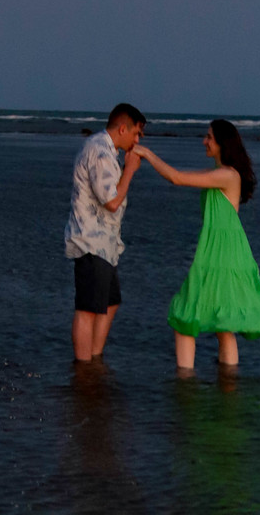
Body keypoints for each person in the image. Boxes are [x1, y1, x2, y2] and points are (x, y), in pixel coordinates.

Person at [133, 119, 260, 372]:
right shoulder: (222, 173)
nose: (204, 141)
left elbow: (177, 178)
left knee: (184, 315)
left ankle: (186, 379)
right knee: (223, 323)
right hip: (226, 250)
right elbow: (181, 175)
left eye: (209, 137)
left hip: (221, 252)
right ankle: (228, 380)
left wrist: (147, 153)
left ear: (222, 143)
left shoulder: (227, 175)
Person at [64, 102, 146, 362]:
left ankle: (94, 357)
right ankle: (83, 365)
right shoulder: (100, 151)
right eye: (136, 133)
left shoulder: (106, 150)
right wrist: (130, 170)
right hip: (91, 241)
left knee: (111, 301)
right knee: (87, 309)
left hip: (105, 243)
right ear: (123, 129)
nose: (138, 140)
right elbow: (111, 201)